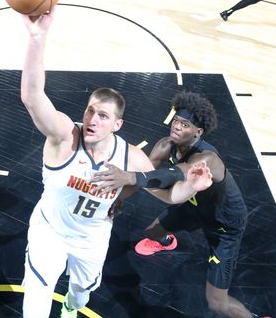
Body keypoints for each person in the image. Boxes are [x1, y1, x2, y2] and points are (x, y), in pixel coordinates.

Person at [19, 8, 214, 318]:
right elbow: (32, 97)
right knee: (35, 307)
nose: (93, 120)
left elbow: (168, 195)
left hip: (92, 239)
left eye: (103, 116)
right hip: (49, 233)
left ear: (117, 125)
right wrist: (36, 39)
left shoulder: (131, 158)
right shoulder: (64, 137)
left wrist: (191, 186)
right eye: (90, 111)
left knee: (80, 297)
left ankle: (71, 305)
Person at [90, 92, 259, 318]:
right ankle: (167, 241)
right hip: (192, 207)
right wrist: (120, 197)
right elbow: (149, 175)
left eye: (185, 124)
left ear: (198, 132)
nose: (177, 127)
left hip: (224, 226)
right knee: (152, 232)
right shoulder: (165, 145)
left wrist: (131, 177)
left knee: (218, 304)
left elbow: (171, 174)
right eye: (177, 121)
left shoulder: (209, 159)